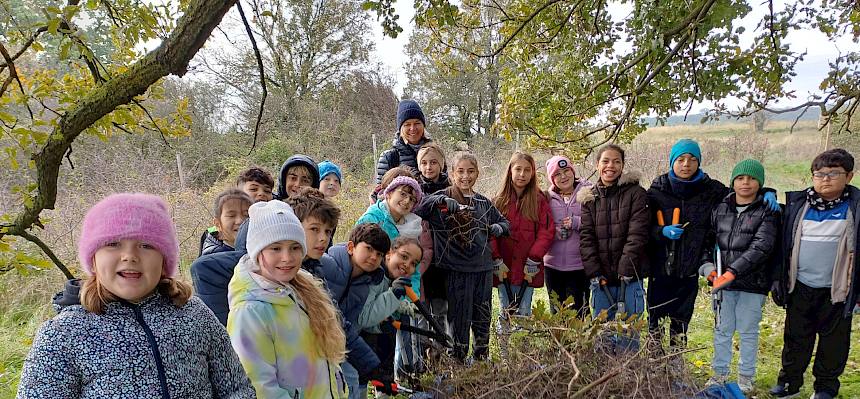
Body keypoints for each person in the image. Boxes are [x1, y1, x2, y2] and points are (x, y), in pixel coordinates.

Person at [17, 193, 255, 398]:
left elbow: (236, 389)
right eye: (113, 244)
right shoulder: (63, 334)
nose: (129, 256)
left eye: (146, 245)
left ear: (164, 260)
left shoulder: (195, 316)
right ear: (93, 258)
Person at [227, 200, 348, 398]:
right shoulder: (250, 312)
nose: (287, 257)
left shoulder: (304, 287)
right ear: (258, 252)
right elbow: (259, 387)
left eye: (294, 247)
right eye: (275, 248)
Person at [770, 149, 860, 399]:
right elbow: (781, 244)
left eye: (834, 173)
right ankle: (789, 382)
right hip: (800, 285)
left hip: (838, 289)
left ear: (849, 176)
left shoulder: (856, 208)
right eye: (820, 174)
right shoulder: (799, 205)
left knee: (834, 342)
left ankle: (826, 387)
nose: (826, 179)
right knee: (796, 338)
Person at [414, 150, 510, 362]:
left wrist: (497, 228)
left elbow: (506, 224)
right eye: (460, 171)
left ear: (477, 174)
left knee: (482, 319)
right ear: (452, 175)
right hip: (455, 271)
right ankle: (457, 364)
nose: (465, 176)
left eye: (471, 171)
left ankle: (481, 361)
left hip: (483, 270)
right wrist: (439, 199)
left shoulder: (484, 203)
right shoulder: (442, 200)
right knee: (459, 321)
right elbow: (418, 209)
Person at [700, 159, 780, 393]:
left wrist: (733, 272)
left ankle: (746, 377)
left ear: (760, 183)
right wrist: (708, 269)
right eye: (740, 178)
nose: (745, 183)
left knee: (748, 331)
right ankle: (719, 373)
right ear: (733, 181)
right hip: (722, 283)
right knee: (722, 329)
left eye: (752, 178)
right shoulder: (721, 208)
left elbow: (761, 247)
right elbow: (708, 241)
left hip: (752, 283)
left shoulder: (768, 210)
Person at [645, 139, 729, 349]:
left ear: (698, 163)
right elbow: (643, 227)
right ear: (672, 161)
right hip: (661, 268)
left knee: (680, 323)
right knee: (655, 320)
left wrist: (767, 192)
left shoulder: (713, 190)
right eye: (680, 159)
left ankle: (675, 364)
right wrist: (661, 232)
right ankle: (653, 365)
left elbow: (743, 195)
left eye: (692, 160)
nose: (686, 164)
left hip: (690, 269)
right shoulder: (657, 190)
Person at [356, 175, 430, 377]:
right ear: (388, 194)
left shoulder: (412, 226)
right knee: (371, 348)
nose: (406, 201)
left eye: (412, 199)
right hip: (371, 288)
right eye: (402, 194)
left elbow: (411, 266)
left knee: (392, 341)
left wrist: (410, 296)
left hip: (395, 291)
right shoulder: (372, 218)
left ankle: (394, 381)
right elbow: (359, 253)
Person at [578, 144, 649, 350]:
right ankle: (605, 377)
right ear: (597, 165)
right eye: (606, 161)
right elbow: (586, 238)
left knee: (629, 331)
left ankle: (629, 375)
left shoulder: (636, 194)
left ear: (623, 166)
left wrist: (626, 269)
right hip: (601, 279)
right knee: (602, 332)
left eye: (617, 161)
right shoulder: (589, 198)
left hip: (630, 276)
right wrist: (594, 272)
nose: (611, 166)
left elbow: (637, 235)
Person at [324, 224, 391, 399]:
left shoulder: (366, 284)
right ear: (351, 247)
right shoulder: (327, 265)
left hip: (340, 342)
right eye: (368, 249)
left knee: (351, 378)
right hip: (313, 340)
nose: (373, 257)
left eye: (379, 255)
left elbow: (350, 323)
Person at [491, 152, 554, 329]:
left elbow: (546, 231)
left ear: (533, 173)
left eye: (527, 170)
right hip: (504, 267)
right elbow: (489, 232)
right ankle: (505, 355)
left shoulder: (539, 200)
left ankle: (522, 354)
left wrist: (535, 257)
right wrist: (495, 258)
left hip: (528, 268)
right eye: (518, 169)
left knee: (524, 313)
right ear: (510, 171)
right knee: (506, 310)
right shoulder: (499, 200)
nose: (522, 174)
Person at [355, 236, 423, 391]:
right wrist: (394, 295)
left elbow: (385, 299)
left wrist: (407, 307)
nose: (407, 265)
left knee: (383, 373)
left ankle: (383, 388)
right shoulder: (375, 276)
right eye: (404, 256)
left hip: (376, 338)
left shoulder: (390, 277)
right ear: (388, 254)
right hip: (358, 341)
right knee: (360, 380)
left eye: (414, 264)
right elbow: (365, 318)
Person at [543, 155, 592, 315]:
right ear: (552, 179)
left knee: (579, 312)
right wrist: (554, 231)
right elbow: (541, 226)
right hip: (552, 266)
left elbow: (598, 222)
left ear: (573, 171)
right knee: (557, 311)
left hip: (579, 265)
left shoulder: (588, 193)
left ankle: (581, 341)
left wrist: (576, 223)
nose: (563, 176)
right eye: (557, 174)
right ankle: (559, 340)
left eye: (566, 171)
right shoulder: (547, 198)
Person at [375, 99, 435, 183]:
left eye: (417, 123)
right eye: (407, 124)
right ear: (400, 129)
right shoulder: (389, 157)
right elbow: (379, 192)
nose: (413, 128)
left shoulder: (436, 153)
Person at [200, 189, 252, 256]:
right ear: (218, 224)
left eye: (246, 215)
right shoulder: (211, 262)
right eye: (231, 215)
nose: (240, 221)